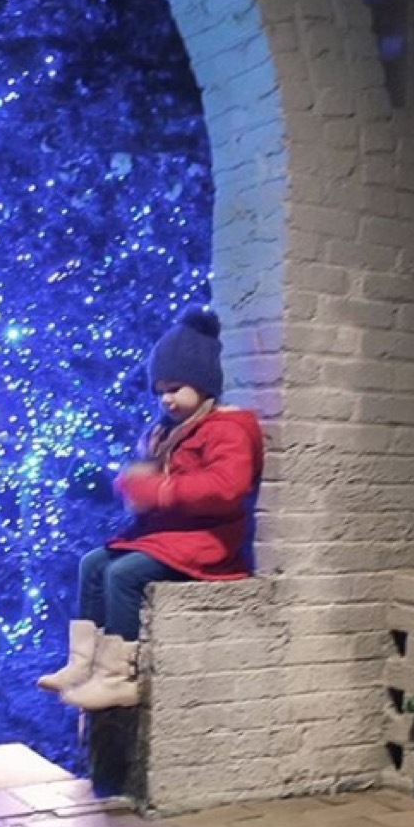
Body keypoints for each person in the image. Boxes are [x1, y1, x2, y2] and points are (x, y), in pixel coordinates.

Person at [37, 304, 264, 710]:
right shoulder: (167, 432)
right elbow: (156, 480)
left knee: (124, 574)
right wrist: (136, 482)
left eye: (175, 388)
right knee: (92, 563)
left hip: (206, 541)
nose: (167, 399)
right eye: (160, 391)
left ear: (203, 383)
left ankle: (118, 676)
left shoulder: (229, 429)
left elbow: (227, 487)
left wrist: (159, 489)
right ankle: (82, 662)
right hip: (167, 535)